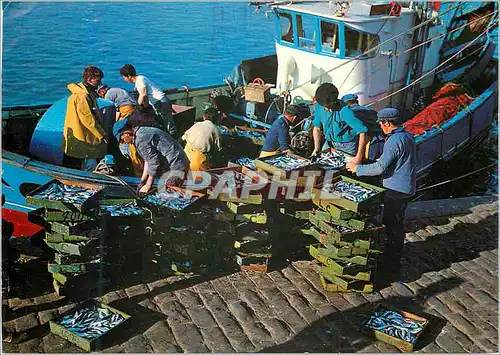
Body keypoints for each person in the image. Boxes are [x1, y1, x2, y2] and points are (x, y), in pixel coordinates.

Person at [345, 108, 416, 278]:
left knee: (392, 225)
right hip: (406, 187)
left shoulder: (393, 140)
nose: (381, 127)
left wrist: (357, 168)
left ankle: (391, 264)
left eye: (381, 124)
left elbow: (380, 168)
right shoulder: (407, 135)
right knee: (396, 224)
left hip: (395, 189)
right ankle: (392, 259)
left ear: (386, 123)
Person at [113, 117, 190, 194]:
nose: (124, 142)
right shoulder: (141, 132)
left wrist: (148, 185)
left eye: (122, 140)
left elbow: (154, 162)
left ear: (126, 133)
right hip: (176, 161)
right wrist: (142, 181)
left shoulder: (140, 139)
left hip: (176, 165)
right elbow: (147, 160)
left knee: (168, 192)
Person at [62, 66, 107, 171]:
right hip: (83, 135)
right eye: (98, 80)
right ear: (90, 79)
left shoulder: (81, 93)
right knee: (87, 163)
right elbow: (88, 119)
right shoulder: (83, 96)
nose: (100, 83)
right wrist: (102, 134)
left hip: (79, 134)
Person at [311, 83, 368, 164]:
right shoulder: (319, 105)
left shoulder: (345, 110)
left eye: (327, 106)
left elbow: (362, 131)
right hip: (329, 142)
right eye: (323, 106)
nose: (324, 108)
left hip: (347, 145)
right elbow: (316, 128)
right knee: (322, 165)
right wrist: (316, 148)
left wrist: (358, 157)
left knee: (345, 169)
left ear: (333, 103)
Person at [120, 64, 177, 137]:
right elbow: (145, 96)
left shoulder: (139, 80)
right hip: (158, 102)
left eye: (124, 77)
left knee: (168, 124)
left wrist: (137, 107)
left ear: (129, 76)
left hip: (160, 102)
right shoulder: (141, 79)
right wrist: (146, 106)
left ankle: (174, 139)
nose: (124, 79)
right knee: (163, 123)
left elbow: (143, 94)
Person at [341, 93, 384, 161]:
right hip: (381, 140)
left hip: (368, 144)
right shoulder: (371, 110)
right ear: (357, 102)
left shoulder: (350, 113)